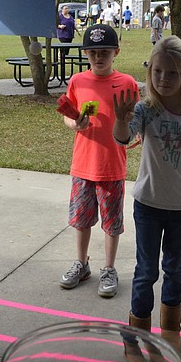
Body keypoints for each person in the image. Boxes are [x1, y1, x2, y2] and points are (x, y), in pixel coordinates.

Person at [111, 36, 181, 362]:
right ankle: (135, 337)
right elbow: (124, 137)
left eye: (171, 74)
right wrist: (120, 119)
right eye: (157, 72)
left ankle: (170, 331)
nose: (162, 80)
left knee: (176, 269)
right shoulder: (146, 110)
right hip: (149, 205)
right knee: (146, 272)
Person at [59, 23, 139, 298]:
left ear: (116, 52)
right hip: (83, 163)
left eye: (105, 52)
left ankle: (109, 268)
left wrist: (128, 122)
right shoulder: (77, 81)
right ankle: (81, 264)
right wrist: (74, 123)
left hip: (111, 165)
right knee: (81, 220)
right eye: (92, 53)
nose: (98, 57)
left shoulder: (126, 83)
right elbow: (68, 113)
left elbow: (134, 120)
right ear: (85, 54)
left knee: (112, 222)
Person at [56, 4, 76, 82]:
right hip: (62, 34)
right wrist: (60, 26)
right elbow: (56, 24)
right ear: (62, 10)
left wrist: (77, 31)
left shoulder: (70, 16)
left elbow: (73, 24)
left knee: (67, 47)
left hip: (70, 34)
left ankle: (63, 57)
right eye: (65, 9)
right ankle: (61, 57)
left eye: (67, 8)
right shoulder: (60, 17)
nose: (66, 10)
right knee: (64, 46)